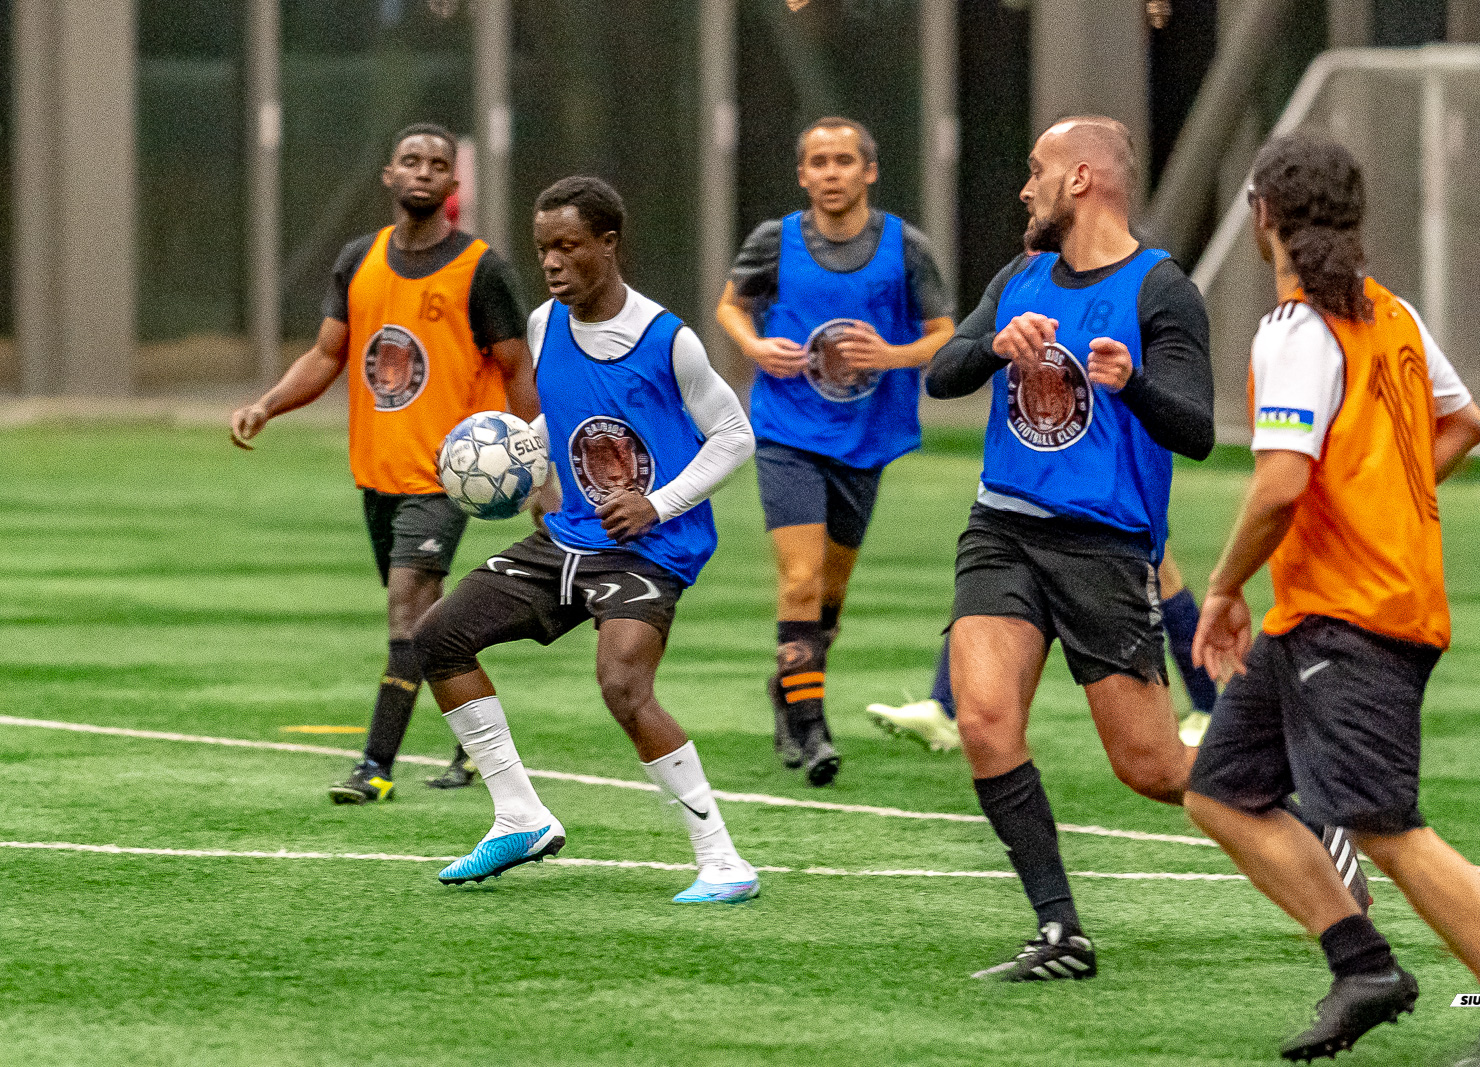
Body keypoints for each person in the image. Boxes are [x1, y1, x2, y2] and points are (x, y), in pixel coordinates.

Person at [1185, 135, 1480, 1066]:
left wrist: (1223, 583)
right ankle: (1362, 964)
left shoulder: (1295, 329)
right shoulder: (1388, 313)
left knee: (1385, 826)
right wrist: (1384, 506)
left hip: (1351, 615)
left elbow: (1282, 485)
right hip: (1324, 615)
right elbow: (1465, 422)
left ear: (1265, 217)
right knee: (1222, 791)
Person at [410, 176, 761, 903]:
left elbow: (734, 436)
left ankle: (723, 860)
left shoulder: (670, 341)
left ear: (609, 243)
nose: (554, 262)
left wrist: (657, 504)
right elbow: (562, 424)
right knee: (438, 636)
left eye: (569, 246)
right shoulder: (543, 325)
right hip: (570, 536)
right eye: (544, 249)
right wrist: (518, 459)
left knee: (623, 685)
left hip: (650, 547)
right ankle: (520, 815)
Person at [925, 115, 1219, 981]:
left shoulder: (1163, 290)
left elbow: (1198, 431)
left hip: (1105, 546)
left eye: (1037, 170)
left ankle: (1286, 798)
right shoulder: (1020, 276)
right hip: (1002, 530)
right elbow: (943, 370)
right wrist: (990, 346)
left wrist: (1134, 383)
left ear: (1082, 178)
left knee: (1153, 767)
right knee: (983, 721)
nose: (1025, 188)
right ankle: (1060, 931)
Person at [230, 123, 536, 804]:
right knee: (428, 626)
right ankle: (475, 739)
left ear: (454, 185)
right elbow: (326, 355)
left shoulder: (482, 269)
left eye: (437, 164)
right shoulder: (359, 259)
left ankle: (374, 766)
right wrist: (267, 405)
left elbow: (518, 370)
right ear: (389, 176)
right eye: (410, 161)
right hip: (377, 473)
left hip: (448, 474)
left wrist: (533, 458)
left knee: (405, 612)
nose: (423, 172)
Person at [716, 116, 955, 786]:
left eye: (843, 161)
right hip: (788, 432)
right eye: (817, 162)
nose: (830, 173)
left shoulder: (904, 247)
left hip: (866, 438)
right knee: (800, 577)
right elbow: (730, 306)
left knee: (832, 594)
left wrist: (894, 353)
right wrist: (756, 347)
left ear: (868, 171)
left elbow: (944, 333)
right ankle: (813, 725)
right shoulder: (776, 241)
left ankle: (787, 687)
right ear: (802, 175)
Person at [865, 550, 1217, 752]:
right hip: (1042, 465)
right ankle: (944, 707)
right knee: (992, 567)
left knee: (1157, 569)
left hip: (1116, 465)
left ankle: (1208, 709)